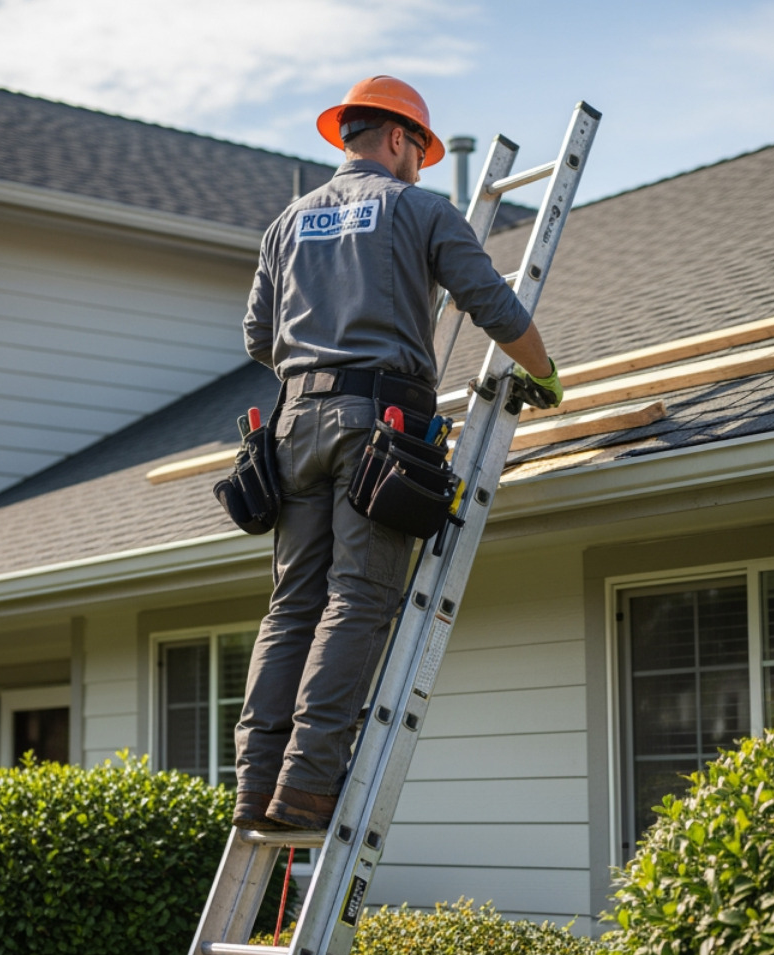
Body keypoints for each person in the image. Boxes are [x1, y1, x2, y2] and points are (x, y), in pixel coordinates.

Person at [233, 75, 563, 831]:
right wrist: (542, 373)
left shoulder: (286, 224)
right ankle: (309, 786)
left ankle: (257, 787)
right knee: (359, 597)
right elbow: (497, 308)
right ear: (396, 139)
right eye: (421, 147)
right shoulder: (419, 209)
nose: (423, 162)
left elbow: (257, 338)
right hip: (376, 421)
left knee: (291, 607)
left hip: (294, 427)